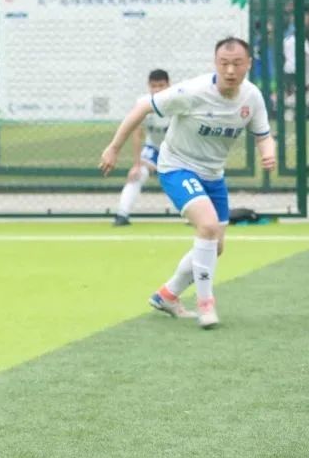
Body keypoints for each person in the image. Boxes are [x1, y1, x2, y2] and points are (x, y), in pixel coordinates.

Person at [100, 38, 276, 329]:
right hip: (177, 167)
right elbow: (142, 107)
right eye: (224, 63)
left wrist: (268, 152)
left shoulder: (252, 97)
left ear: (248, 64)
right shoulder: (193, 91)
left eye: (237, 63)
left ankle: (167, 295)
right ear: (215, 63)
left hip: (213, 175)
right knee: (207, 226)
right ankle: (206, 304)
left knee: (215, 246)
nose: (230, 70)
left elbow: (263, 135)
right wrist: (114, 148)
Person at [112, 69, 172, 226]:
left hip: (175, 150)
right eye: (154, 86)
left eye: (161, 85)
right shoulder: (143, 104)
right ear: (148, 86)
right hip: (153, 149)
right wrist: (137, 164)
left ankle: (192, 216)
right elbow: (137, 134)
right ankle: (122, 215)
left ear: (169, 85)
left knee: (186, 178)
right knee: (137, 174)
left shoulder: (177, 102)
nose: (157, 90)